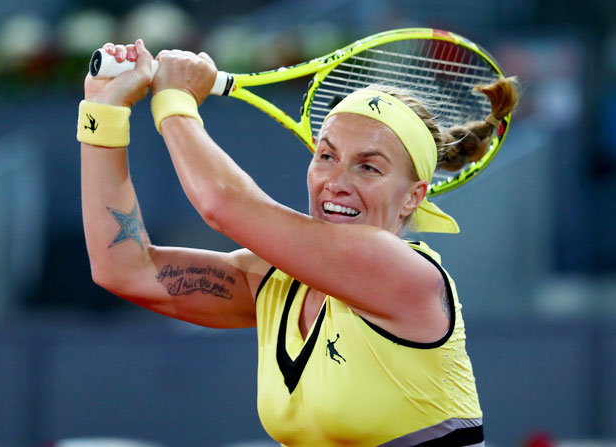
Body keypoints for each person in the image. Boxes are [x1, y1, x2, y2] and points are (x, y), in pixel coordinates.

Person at [78, 38, 518, 447]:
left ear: (412, 198)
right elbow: (123, 267)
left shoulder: (405, 274)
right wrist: (103, 112)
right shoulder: (272, 281)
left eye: (368, 167)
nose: (337, 182)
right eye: (326, 156)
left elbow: (222, 206)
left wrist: (175, 100)